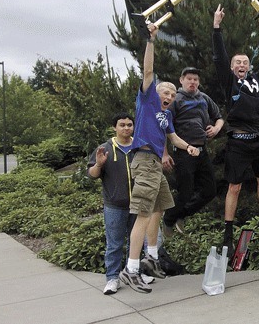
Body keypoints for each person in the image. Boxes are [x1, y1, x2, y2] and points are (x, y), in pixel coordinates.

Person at [120, 23, 201, 294]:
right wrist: (151, 41)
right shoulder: (147, 102)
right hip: (143, 161)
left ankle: (151, 257)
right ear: (155, 93)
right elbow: (148, 71)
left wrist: (188, 147)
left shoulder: (165, 116)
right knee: (143, 214)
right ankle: (130, 270)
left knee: (159, 207)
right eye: (165, 91)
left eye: (171, 94)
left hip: (156, 165)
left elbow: (173, 138)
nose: (168, 95)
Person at [212, 4, 259, 253]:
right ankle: (228, 233)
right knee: (235, 186)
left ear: (249, 66)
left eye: (245, 62)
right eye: (237, 62)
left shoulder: (257, 81)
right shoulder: (229, 80)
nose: (242, 64)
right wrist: (216, 27)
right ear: (232, 68)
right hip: (238, 141)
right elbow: (219, 57)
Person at [88, 112, 154, 295]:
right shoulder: (105, 148)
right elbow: (92, 175)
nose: (126, 128)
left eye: (129, 125)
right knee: (114, 244)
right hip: (115, 205)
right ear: (114, 127)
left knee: (138, 241)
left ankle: (136, 273)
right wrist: (99, 164)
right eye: (122, 125)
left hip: (139, 204)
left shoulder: (140, 147)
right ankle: (112, 278)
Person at [161, 66, 224, 237]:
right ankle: (169, 220)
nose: (193, 82)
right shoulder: (176, 100)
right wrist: (165, 154)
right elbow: (164, 129)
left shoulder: (204, 98)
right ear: (181, 80)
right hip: (183, 151)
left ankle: (181, 214)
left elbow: (219, 118)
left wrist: (216, 128)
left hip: (202, 150)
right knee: (186, 192)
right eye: (189, 78)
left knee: (210, 190)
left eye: (196, 79)